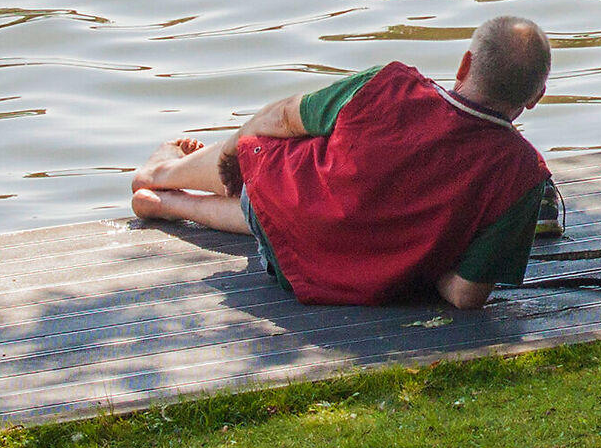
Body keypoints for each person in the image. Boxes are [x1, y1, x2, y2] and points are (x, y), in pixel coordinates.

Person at [129, 16, 552, 311]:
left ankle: (159, 176)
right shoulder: (524, 176)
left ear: (464, 64)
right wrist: (424, 257)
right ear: (535, 100)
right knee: (317, 221)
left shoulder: (391, 85)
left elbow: (282, 118)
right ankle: (168, 205)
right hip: (319, 268)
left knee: (278, 149)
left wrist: (230, 150)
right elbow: (465, 295)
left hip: (290, 219)